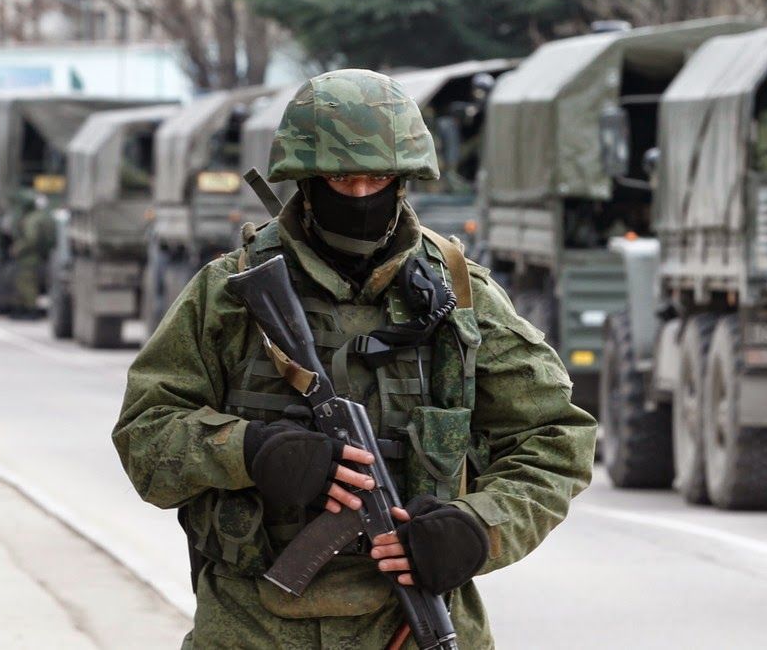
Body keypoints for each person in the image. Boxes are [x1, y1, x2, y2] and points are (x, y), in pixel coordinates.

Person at [113, 69, 596, 649]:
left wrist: (477, 527)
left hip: (411, 623)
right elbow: (146, 434)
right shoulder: (229, 293)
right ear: (307, 181)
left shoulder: (462, 300)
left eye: (379, 177)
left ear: (404, 179)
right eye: (343, 178)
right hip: (252, 626)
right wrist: (252, 451)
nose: (363, 196)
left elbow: (557, 441)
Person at [9, 189, 54, 319]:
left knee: (27, 284)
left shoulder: (31, 220)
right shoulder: (37, 217)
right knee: (24, 283)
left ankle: (31, 309)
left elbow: (31, 239)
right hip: (33, 257)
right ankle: (24, 308)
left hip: (29, 258)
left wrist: (18, 248)